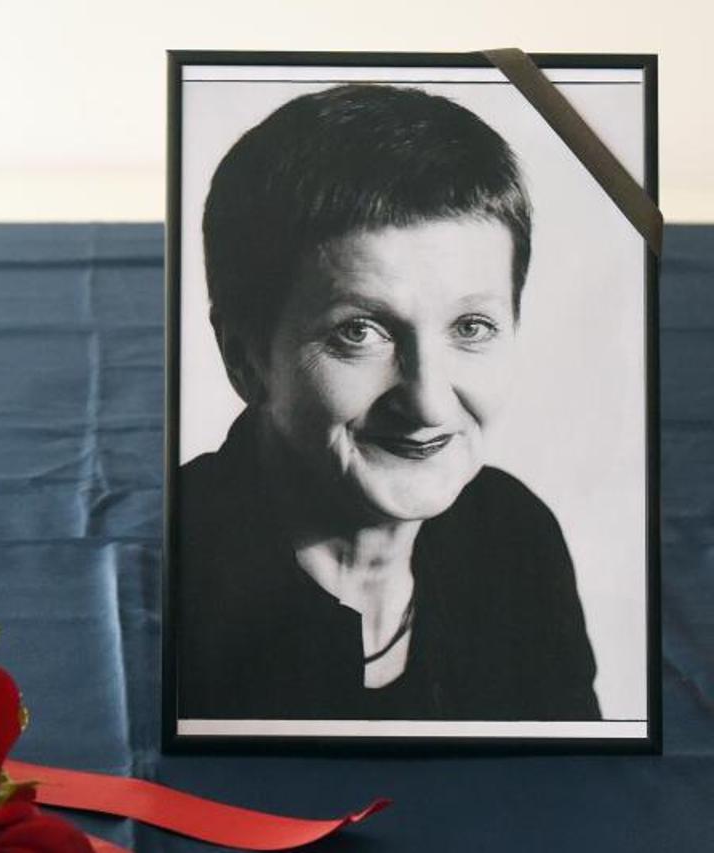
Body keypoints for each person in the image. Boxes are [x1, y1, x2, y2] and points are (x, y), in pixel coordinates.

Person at [177, 84, 601, 721]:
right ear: (244, 357)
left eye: (471, 327)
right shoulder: (170, 566)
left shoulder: (515, 538)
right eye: (359, 332)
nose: (429, 403)